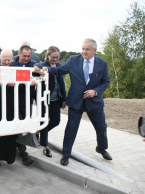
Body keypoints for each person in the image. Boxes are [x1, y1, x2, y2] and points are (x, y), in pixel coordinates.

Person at [34, 38, 112, 166]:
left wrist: (95, 91)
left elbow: (106, 82)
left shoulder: (102, 64)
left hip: (94, 101)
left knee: (101, 127)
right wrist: (43, 69)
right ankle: (65, 154)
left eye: (87, 49)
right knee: (71, 129)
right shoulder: (74, 60)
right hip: (76, 101)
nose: (84, 52)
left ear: (94, 50)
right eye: (82, 49)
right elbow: (59, 70)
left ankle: (101, 148)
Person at [11, 45, 38, 166]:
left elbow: (40, 78)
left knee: (24, 127)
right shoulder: (12, 65)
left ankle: (20, 150)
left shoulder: (34, 66)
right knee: (17, 127)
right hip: (12, 101)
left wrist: (35, 81)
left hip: (27, 101)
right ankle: (23, 154)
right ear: (19, 54)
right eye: (24, 56)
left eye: (29, 56)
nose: (26, 58)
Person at [38, 46, 67, 158]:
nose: (55, 59)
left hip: (55, 99)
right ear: (48, 56)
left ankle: (40, 132)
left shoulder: (59, 66)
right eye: (53, 57)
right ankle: (45, 146)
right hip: (44, 99)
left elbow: (62, 83)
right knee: (44, 121)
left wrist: (64, 98)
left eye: (57, 57)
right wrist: (40, 69)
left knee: (56, 121)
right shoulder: (43, 66)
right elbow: (37, 67)